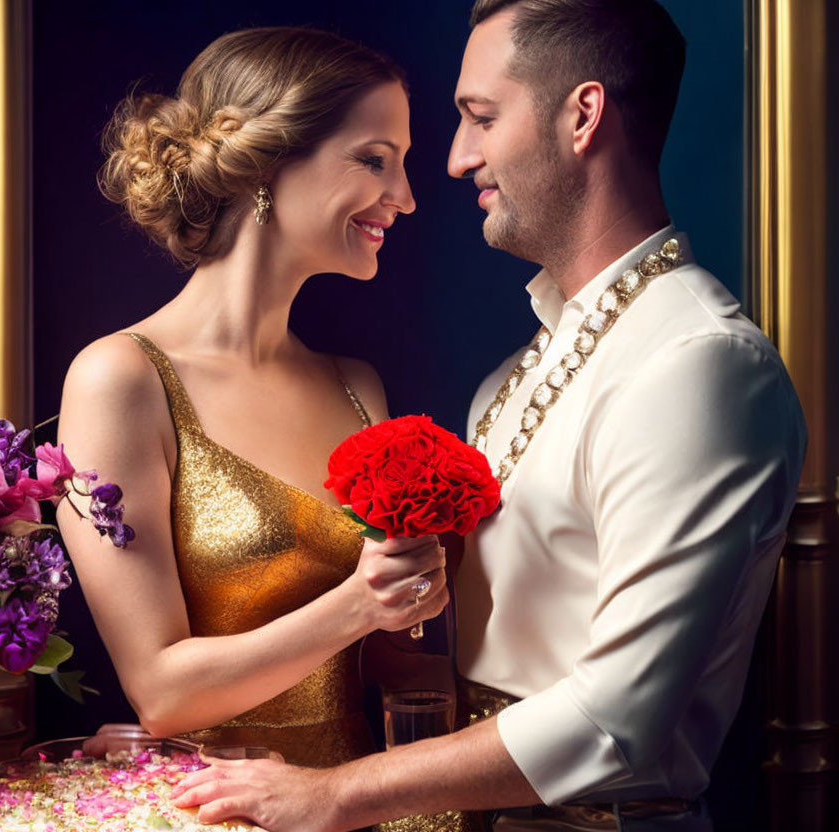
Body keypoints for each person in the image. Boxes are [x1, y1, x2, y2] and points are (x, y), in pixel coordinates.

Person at [169, 2, 807, 830]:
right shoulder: (515, 375)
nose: (455, 158)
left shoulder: (699, 364)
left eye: (481, 118)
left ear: (583, 117)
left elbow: (617, 723)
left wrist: (334, 794)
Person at [55, 26, 450, 771]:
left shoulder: (356, 386)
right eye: (375, 161)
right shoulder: (122, 380)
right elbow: (162, 692)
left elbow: (402, 667)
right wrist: (360, 604)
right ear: (266, 164)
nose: (404, 197)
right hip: (223, 812)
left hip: (367, 797)